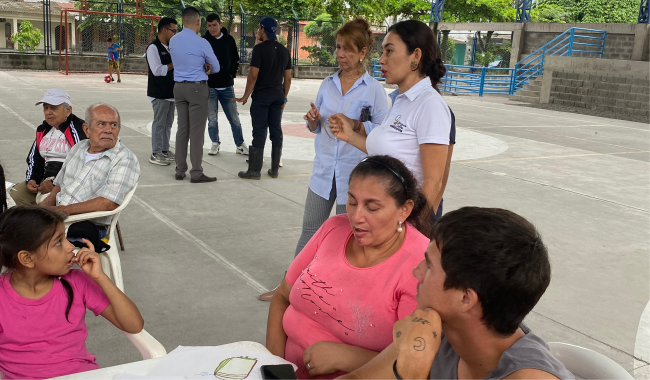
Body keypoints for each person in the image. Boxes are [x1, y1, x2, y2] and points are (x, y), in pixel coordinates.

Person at [335, 207, 575, 380]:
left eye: (429, 266)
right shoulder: (438, 329)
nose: (416, 272)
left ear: (465, 299)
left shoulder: (527, 377)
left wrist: (411, 372)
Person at [266, 156, 432, 380]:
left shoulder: (420, 266)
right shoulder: (333, 228)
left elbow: (414, 366)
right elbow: (281, 297)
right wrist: (276, 366)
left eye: (372, 208)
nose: (356, 217)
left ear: (404, 210)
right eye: (352, 202)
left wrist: (347, 357)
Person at [259, 18, 389, 301]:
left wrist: (356, 125)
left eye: (348, 50)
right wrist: (314, 121)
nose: (341, 55)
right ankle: (287, 290)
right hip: (323, 172)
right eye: (338, 48)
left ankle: (338, 295)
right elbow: (315, 126)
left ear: (363, 53)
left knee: (348, 240)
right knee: (310, 232)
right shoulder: (328, 84)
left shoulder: (374, 90)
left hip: (354, 178)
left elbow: (383, 133)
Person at [0, 206, 144, 379]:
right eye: (58, 242)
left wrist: (101, 278)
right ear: (28, 259)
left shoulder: (77, 282)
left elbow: (134, 325)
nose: (71, 247)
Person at [329, 20, 452, 221]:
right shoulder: (400, 100)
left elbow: (433, 181)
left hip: (398, 224)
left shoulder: (429, 105)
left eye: (389, 51)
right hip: (379, 218)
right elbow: (386, 152)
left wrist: (410, 227)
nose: (381, 60)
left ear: (416, 56)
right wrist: (350, 136)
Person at [39, 103, 140, 228]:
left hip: (85, 224)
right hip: (58, 216)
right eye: (101, 124)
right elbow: (59, 184)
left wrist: (62, 210)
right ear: (87, 129)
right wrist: (45, 205)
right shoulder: (78, 148)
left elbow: (109, 203)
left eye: (113, 125)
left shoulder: (124, 158)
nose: (108, 130)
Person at [235, 17, 291, 180]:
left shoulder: (259, 50)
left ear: (262, 29)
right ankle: (274, 170)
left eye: (260, 28)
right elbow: (287, 79)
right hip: (277, 96)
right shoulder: (284, 51)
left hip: (261, 97)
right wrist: (284, 98)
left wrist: (245, 96)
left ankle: (254, 170)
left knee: (259, 131)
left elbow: (253, 75)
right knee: (276, 131)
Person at [169, 6, 221, 183]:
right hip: (197, 88)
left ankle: (179, 169)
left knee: (182, 129)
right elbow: (217, 67)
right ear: (198, 22)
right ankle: (196, 172)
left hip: (178, 87)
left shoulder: (174, 41)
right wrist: (205, 66)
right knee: (197, 132)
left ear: (183, 21)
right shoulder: (202, 43)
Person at [10, 89, 86, 207]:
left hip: (66, 183)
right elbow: (34, 159)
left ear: (68, 110)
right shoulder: (43, 129)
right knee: (13, 195)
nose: (48, 112)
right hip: (44, 179)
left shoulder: (79, 130)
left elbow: (84, 164)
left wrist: (54, 183)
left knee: (44, 205)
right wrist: (32, 179)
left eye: (53, 108)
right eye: (46, 108)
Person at [203, 13, 248, 157]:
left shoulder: (229, 40)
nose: (212, 28)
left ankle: (240, 144)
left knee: (234, 118)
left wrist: (231, 75)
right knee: (212, 119)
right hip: (210, 87)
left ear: (220, 25)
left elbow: (235, 59)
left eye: (214, 25)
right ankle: (215, 143)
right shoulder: (204, 41)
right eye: (209, 26)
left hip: (227, 87)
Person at [146, 17, 178, 166]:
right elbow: (157, 70)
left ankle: (164, 150)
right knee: (159, 123)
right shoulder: (153, 48)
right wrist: (173, 64)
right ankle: (156, 152)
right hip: (159, 93)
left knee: (168, 123)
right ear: (164, 30)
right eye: (174, 30)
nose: (175, 33)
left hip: (171, 93)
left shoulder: (171, 47)